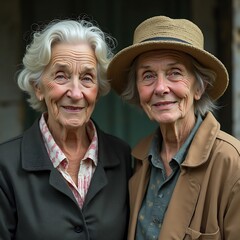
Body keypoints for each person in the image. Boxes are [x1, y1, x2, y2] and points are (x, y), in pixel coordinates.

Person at [107, 15, 240, 239]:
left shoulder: (231, 163)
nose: (160, 88)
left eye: (175, 73)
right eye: (148, 76)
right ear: (139, 92)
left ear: (199, 87)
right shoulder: (139, 160)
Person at [0, 18, 132, 240]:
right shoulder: (5, 165)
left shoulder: (123, 158)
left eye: (87, 78)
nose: (76, 93)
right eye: (61, 76)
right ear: (38, 87)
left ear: (98, 91)